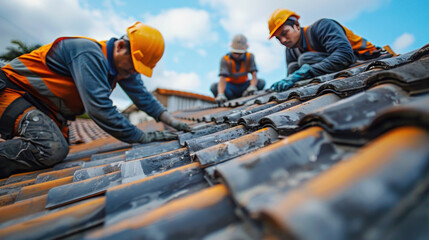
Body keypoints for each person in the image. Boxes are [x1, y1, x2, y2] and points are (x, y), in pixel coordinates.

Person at [0, 21, 191, 178]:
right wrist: (141, 137)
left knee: (61, 148)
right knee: (51, 148)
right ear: (121, 46)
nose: (133, 73)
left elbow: (144, 97)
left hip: (42, 107)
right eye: (133, 66)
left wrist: (173, 122)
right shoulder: (88, 53)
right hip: (13, 92)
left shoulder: (122, 67)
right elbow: (99, 108)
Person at [268, 9, 385, 92]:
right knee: (293, 67)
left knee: (305, 59)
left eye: (284, 33)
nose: (283, 40)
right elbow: (292, 76)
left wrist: (307, 71)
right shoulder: (290, 50)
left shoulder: (322, 26)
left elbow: (345, 55)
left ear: (297, 25)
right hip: (333, 64)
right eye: (278, 38)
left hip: (362, 58)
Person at [210, 34, 265, 104]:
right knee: (214, 87)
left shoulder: (249, 57)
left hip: (244, 86)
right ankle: (229, 100)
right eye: (235, 53)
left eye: (240, 54)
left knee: (261, 82)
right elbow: (222, 78)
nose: (237, 56)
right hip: (230, 87)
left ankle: (247, 96)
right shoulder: (225, 59)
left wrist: (252, 86)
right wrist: (221, 94)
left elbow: (254, 75)